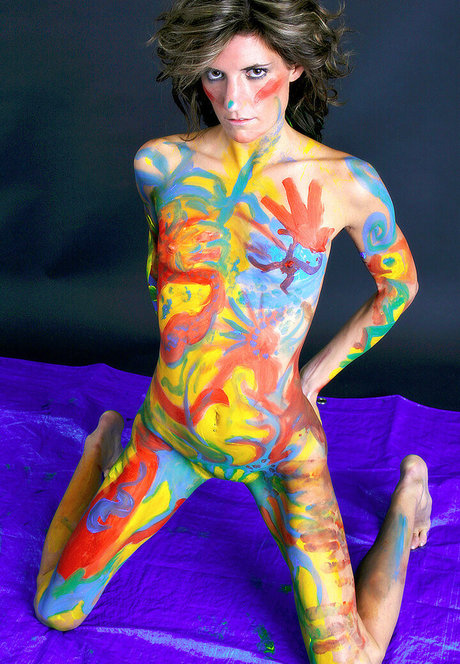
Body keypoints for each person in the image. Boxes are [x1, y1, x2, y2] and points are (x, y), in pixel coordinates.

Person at [34, 1, 432, 662]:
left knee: (348, 661)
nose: (233, 99)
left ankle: (407, 499)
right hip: (170, 432)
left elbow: (401, 287)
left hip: (279, 447)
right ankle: (104, 446)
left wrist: (311, 379)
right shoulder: (160, 166)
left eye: (255, 73)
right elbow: (163, 278)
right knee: (56, 611)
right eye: (215, 75)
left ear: (294, 67)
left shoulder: (345, 182)